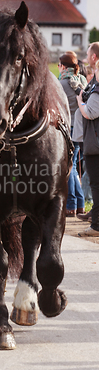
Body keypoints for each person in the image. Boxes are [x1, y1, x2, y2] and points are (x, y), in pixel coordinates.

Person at [58, 52, 87, 217]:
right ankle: (80, 204)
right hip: (81, 129)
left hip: (66, 129)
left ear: (62, 66)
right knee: (74, 166)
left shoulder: (61, 84)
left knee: (68, 167)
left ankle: (71, 205)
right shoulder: (82, 80)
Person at [75, 59, 99, 237]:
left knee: (96, 185)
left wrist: (79, 101)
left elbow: (89, 113)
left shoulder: (97, 91)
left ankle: (96, 226)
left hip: (95, 145)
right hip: (94, 143)